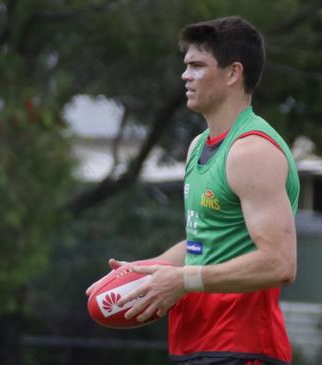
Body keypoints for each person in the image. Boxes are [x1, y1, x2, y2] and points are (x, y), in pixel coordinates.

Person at [87, 16, 300, 365]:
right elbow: (204, 243)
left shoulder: (252, 151)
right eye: (186, 65)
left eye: (197, 66)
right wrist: (148, 271)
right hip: (194, 345)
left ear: (233, 73)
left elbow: (280, 263)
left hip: (241, 348)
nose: (185, 75)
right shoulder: (199, 146)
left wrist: (183, 281)